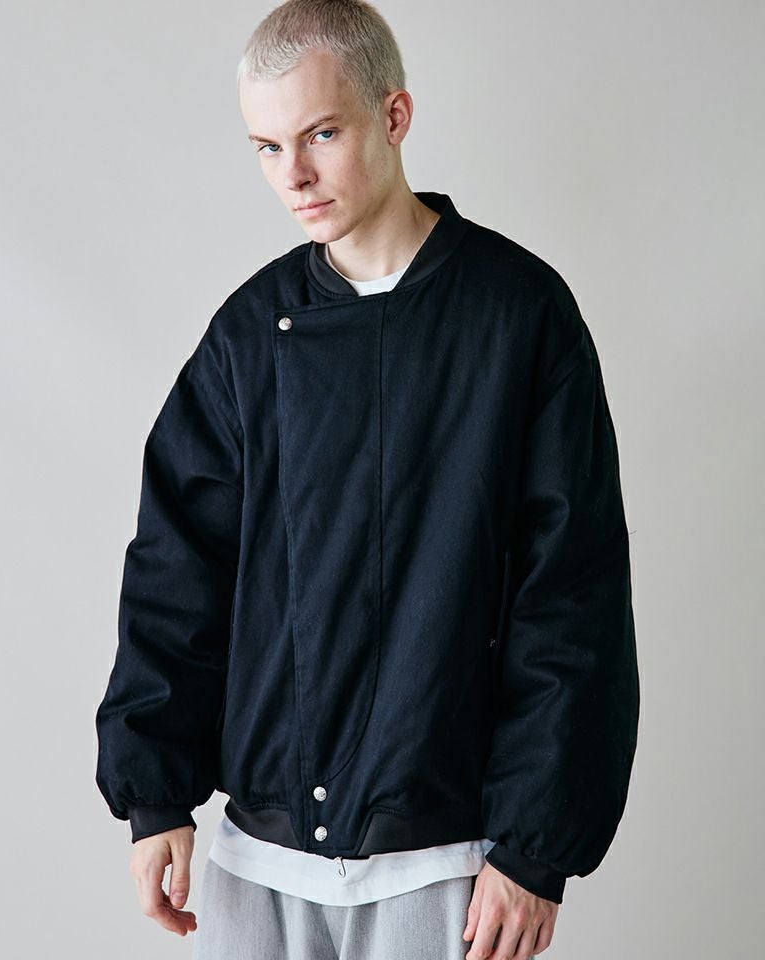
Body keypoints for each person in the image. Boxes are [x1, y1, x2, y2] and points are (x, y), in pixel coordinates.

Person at [94, 1, 640, 958]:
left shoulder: (519, 318)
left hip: (446, 869)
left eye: (320, 134)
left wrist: (534, 849)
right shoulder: (248, 334)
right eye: (267, 147)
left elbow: (571, 594)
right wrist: (155, 796)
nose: (293, 176)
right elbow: (177, 569)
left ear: (394, 116)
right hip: (257, 866)